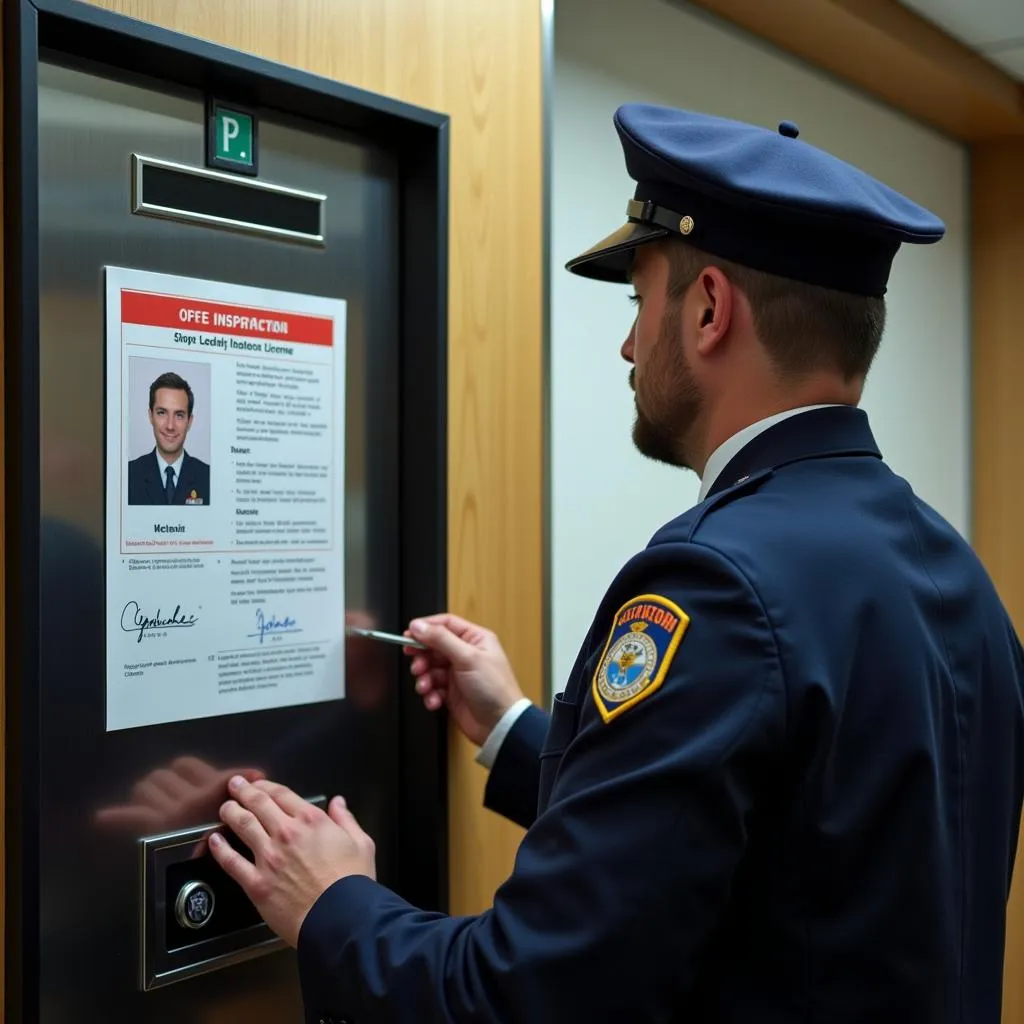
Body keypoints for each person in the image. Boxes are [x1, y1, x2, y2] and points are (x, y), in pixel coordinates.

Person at [209, 104, 1024, 1022]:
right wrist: (513, 727)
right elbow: (789, 860)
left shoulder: (718, 585)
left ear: (710, 309)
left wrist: (334, 906)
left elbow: (526, 996)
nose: (631, 345)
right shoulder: (956, 574)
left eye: (641, 302)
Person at [127, 370, 211, 505]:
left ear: (189, 421)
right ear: (150, 416)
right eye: (162, 413)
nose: (170, 426)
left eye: (179, 415)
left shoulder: (209, 478)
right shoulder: (128, 475)